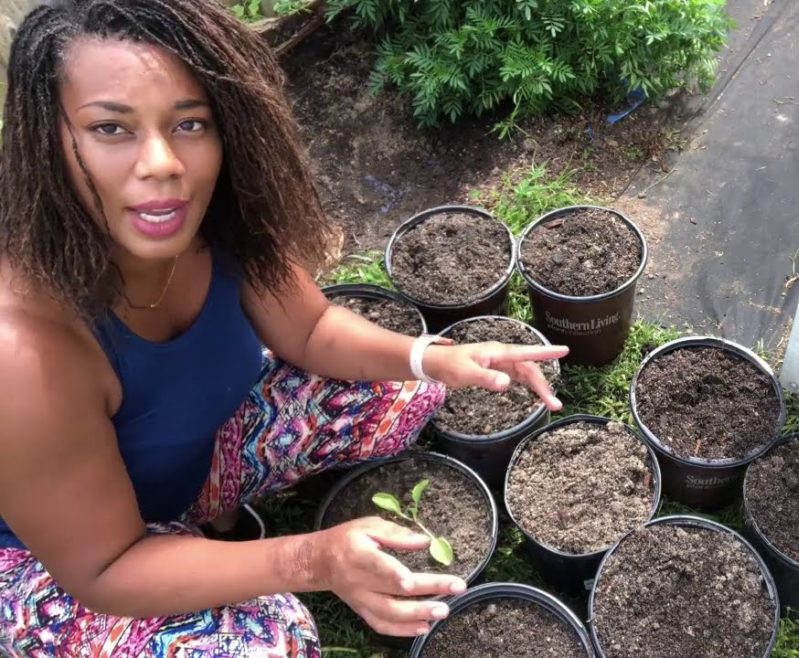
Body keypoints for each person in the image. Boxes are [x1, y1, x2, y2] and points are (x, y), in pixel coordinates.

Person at [0, 1, 568, 655]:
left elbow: (313, 330)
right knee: (273, 640)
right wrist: (312, 559)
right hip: (70, 560)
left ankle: (208, 523)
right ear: (47, 138)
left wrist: (434, 357)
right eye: (110, 129)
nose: (161, 163)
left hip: (189, 465)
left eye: (189, 122)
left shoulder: (217, 216)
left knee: (403, 398)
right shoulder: (24, 348)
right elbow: (104, 570)